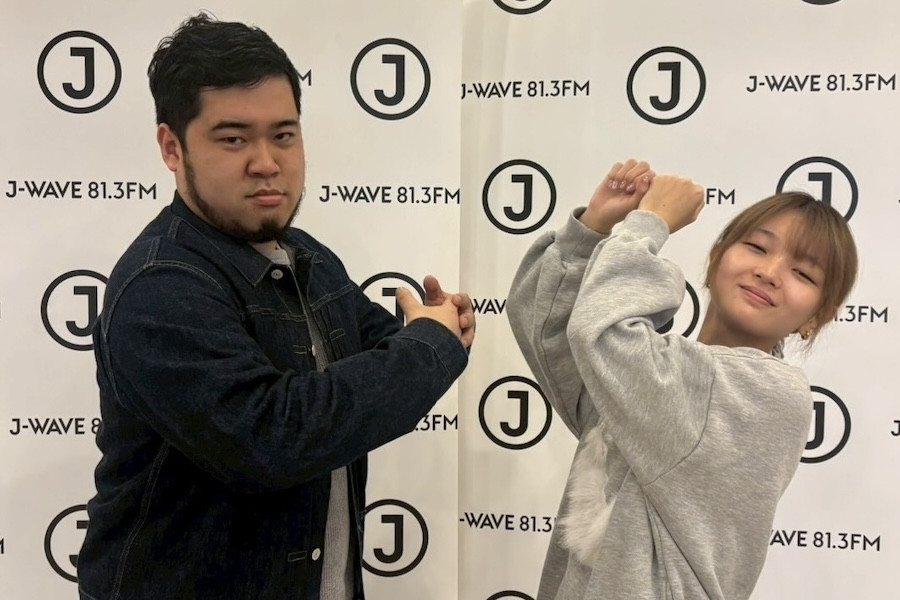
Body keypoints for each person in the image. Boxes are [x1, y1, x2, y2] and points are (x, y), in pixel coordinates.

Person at [77, 13, 474, 600]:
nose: (266, 161)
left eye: (283, 135)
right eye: (233, 138)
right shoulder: (161, 285)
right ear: (172, 147)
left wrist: (433, 326)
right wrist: (431, 345)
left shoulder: (307, 256)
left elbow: (377, 350)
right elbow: (272, 439)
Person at [507, 159, 857, 599]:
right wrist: (591, 228)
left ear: (816, 318)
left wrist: (649, 223)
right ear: (715, 258)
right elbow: (548, 332)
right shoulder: (654, 375)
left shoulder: (766, 394)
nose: (769, 272)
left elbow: (598, 331)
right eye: (757, 247)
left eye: (803, 273)